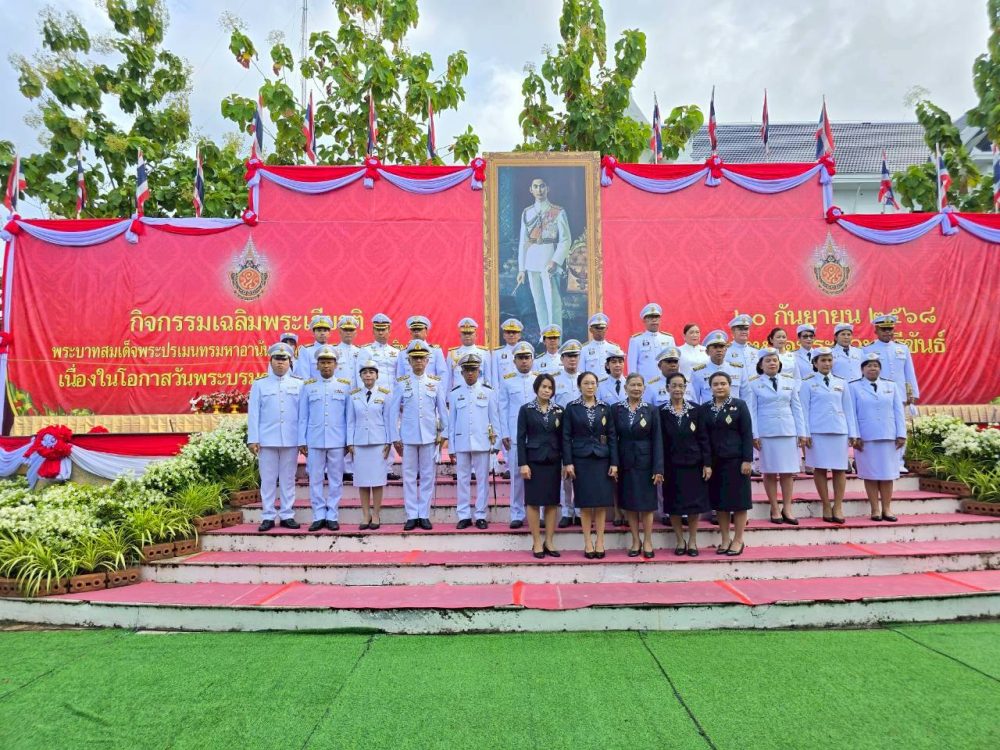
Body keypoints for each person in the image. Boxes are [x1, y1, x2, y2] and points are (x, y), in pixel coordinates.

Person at [388, 340, 449, 530]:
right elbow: (392, 412)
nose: (419, 362)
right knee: (408, 476)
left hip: (429, 436)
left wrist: (445, 433)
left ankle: (424, 514)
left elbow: (442, 411)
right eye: (415, 359)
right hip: (408, 436)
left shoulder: (435, 383)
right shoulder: (401, 383)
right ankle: (411, 515)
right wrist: (394, 437)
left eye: (422, 358)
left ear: (427, 360)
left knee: (427, 476)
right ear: (409, 361)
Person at [746, 347, 808, 524]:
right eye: (768, 361)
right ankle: (774, 508)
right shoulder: (754, 384)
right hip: (767, 433)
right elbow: (752, 411)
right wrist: (754, 434)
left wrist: (801, 432)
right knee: (770, 472)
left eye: (774, 360)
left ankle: (787, 508)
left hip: (788, 431)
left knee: (788, 472)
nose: (772, 363)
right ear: (761, 365)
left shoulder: (789, 381)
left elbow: (796, 408)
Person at [248, 343, 304, 532]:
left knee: (288, 479)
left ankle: (287, 515)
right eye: (277, 359)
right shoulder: (260, 384)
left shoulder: (299, 384)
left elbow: (303, 415)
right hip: (267, 439)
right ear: (270, 361)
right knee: (268, 480)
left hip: (291, 438)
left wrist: (302, 440)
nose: (280, 363)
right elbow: (254, 413)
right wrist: (253, 439)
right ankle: (268, 516)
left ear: (290, 362)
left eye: (284, 359)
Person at [562, 371, 619, 558]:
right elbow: (566, 437)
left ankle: (600, 541)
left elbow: (612, 436)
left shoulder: (605, 407)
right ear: (579, 386)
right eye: (586, 383)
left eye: (593, 383)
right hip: (581, 459)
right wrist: (568, 462)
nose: (590, 386)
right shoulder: (572, 408)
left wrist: (614, 463)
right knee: (585, 504)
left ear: (597, 385)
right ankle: (587, 542)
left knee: (601, 504)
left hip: (602, 459)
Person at [799, 347, 858, 524]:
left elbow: (848, 409)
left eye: (829, 360)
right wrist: (805, 433)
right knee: (820, 469)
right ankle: (826, 504)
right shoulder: (807, 383)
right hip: (817, 431)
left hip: (838, 430)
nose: (827, 364)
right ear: (815, 363)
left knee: (840, 469)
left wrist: (853, 432)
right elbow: (804, 410)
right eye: (823, 360)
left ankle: (838, 506)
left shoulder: (841, 382)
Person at [297, 345, 351, 532]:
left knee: (336, 479)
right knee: (315, 478)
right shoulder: (308, 386)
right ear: (317, 365)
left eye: (329, 362)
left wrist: (348, 441)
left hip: (337, 440)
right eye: (323, 362)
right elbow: (303, 416)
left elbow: (348, 417)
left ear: (336, 365)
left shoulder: (344, 386)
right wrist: (301, 440)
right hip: (315, 439)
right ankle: (319, 515)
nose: (326, 366)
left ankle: (332, 515)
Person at [850, 352, 907, 521]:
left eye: (875, 365)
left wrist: (901, 434)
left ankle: (887, 509)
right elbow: (851, 414)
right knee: (870, 474)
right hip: (866, 438)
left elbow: (898, 411)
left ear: (880, 369)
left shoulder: (891, 386)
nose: (872, 368)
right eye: (869, 365)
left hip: (888, 436)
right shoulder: (854, 387)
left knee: (888, 474)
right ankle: (875, 509)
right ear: (862, 369)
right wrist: (855, 436)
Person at [660, 372, 712, 556]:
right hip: (671, 466)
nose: (677, 389)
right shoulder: (661, 412)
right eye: (674, 385)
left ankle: (692, 540)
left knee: (693, 505)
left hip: (694, 464)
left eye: (681, 386)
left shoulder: (696, 410)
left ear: (685, 388)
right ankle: (680, 540)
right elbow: (659, 442)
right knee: (673, 504)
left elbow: (704, 438)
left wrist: (707, 463)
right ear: (667, 388)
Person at [448, 353, 501, 530]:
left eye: (473, 370)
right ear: (462, 372)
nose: (470, 373)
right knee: (462, 480)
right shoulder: (455, 393)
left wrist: (496, 443)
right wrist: (451, 447)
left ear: (479, 371)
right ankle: (463, 515)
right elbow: (452, 422)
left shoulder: (488, 392)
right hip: (462, 441)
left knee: (482, 480)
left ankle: (480, 515)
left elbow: (494, 419)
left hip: (482, 441)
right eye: (467, 370)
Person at [613, 373, 663, 558]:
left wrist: (658, 468)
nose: (636, 388)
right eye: (632, 385)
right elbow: (613, 439)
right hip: (625, 462)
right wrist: (615, 463)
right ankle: (635, 540)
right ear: (625, 387)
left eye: (639, 385)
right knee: (630, 504)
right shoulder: (616, 409)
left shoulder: (651, 410)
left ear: (644, 388)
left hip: (646, 463)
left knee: (647, 505)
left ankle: (648, 540)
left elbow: (657, 439)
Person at [704, 372, 753, 556]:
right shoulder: (706, 408)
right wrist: (707, 463)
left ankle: (738, 539)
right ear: (711, 387)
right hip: (716, 463)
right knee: (720, 503)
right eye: (716, 384)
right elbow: (704, 437)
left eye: (723, 383)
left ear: (729, 385)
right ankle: (725, 539)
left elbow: (747, 433)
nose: (719, 387)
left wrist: (747, 459)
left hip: (737, 461)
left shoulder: (739, 405)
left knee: (739, 503)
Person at [863, 313, 919, 472]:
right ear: (876, 331)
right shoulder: (868, 349)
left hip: (899, 394)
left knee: (900, 427)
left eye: (890, 329)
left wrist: (912, 393)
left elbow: (909, 372)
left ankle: (899, 461)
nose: (888, 332)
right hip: (877, 395)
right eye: (884, 329)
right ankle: (878, 459)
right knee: (878, 425)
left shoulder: (902, 348)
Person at [517, 373, 564, 558]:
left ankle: (549, 541)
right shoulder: (526, 409)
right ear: (536, 388)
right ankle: (536, 541)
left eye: (550, 388)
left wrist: (565, 462)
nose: (547, 390)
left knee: (552, 502)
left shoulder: (559, 410)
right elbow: (521, 438)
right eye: (543, 387)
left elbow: (563, 438)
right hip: (533, 461)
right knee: (534, 502)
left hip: (553, 460)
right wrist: (523, 463)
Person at [516, 177, 571, 333]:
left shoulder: (558, 212)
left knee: (553, 302)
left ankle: (556, 338)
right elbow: (523, 242)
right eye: (535, 186)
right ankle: (545, 336)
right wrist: (522, 269)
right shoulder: (527, 213)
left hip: (549, 258)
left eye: (542, 186)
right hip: (532, 259)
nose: (539, 190)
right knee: (539, 302)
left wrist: (555, 260)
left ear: (547, 188)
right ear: (531, 190)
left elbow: (566, 239)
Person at [346, 360, 391, 529]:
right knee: (362, 481)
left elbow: (388, 420)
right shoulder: (354, 395)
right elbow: (350, 421)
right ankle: (365, 515)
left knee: (378, 481)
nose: (368, 375)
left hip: (379, 442)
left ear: (377, 375)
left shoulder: (385, 394)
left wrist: (389, 441)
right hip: (359, 443)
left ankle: (376, 514)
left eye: (371, 372)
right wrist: (350, 442)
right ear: (360, 376)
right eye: (365, 373)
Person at [498, 341, 538, 529]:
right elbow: (503, 408)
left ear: (532, 359)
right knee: (516, 476)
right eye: (520, 358)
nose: (524, 361)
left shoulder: (539, 380)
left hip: (537, 436)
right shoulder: (507, 381)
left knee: (539, 476)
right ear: (514, 361)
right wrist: (504, 433)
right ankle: (517, 514)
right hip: (515, 436)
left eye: (527, 357)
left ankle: (540, 512)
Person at [553, 339, 583, 527]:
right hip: (561, 431)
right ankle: (566, 511)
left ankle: (579, 511)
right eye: (569, 356)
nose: (572, 360)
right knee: (564, 473)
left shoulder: (585, 378)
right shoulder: (555, 380)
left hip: (581, 432)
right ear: (562, 358)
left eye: (575, 356)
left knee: (580, 473)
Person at [690, 330, 749, 403]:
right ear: (707, 352)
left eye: (721, 347)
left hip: (734, 409)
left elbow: (746, 396)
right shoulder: (698, 372)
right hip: (709, 410)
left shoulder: (738, 369)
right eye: (715, 347)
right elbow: (695, 399)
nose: (719, 350)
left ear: (726, 350)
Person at [627, 303, 675, 383]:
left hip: (665, 382)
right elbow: (632, 366)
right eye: (650, 317)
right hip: (645, 383)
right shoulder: (636, 340)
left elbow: (675, 363)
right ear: (644, 320)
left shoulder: (669, 339)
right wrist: (633, 383)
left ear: (660, 319)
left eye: (656, 317)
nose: (654, 320)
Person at [448, 318, 493, 391]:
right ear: (460, 336)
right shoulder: (452, 353)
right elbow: (449, 378)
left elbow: (488, 377)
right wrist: (448, 395)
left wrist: (488, 393)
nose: (467, 336)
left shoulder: (484, 352)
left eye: (470, 333)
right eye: (464, 333)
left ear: (476, 335)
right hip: (458, 393)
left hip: (479, 393)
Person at [359, 313, 400, 392]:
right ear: (373, 331)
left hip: (394, 391)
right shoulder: (366, 350)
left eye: (383, 330)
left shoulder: (396, 351)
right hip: (376, 393)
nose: (380, 333)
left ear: (389, 331)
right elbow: (360, 374)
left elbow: (400, 374)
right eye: (378, 330)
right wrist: (364, 393)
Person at [293, 314, 334, 380]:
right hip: (313, 386)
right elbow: (303, 375)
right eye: (319, 330)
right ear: (313, 333)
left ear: (329, 333)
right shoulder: (306, 350)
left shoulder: (335, 350)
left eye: (325, 330)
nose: (322, 333)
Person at [333, 315, 363, 388]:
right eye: (345, 330)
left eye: (351, 330)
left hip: (356, 391)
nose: (348, 333)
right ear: (340, 332)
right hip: (338, 390)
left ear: (355, 333)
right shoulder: (332, 351)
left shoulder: (361, 351)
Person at [491, 318, 525, 382]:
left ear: (519, 336)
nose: (511, 335)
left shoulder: (526, 352)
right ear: (504, 335)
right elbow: (495, 377)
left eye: (514, 332)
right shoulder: (497, 353)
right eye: (508, 332)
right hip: (504, 387)